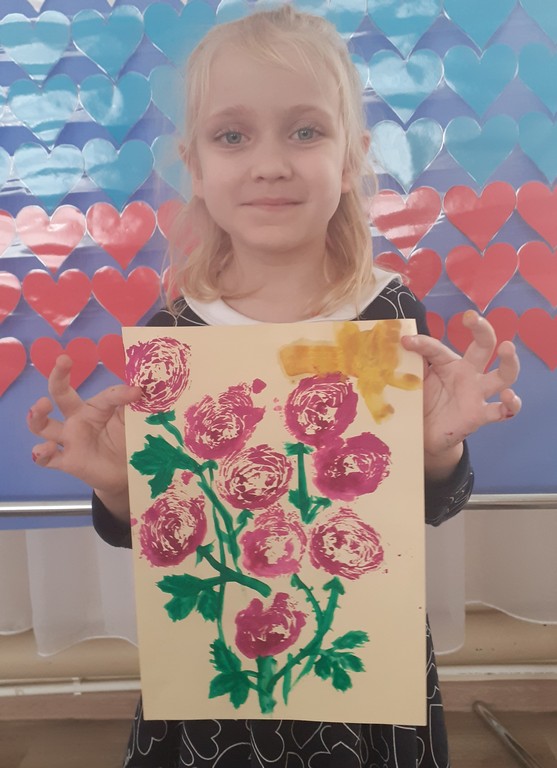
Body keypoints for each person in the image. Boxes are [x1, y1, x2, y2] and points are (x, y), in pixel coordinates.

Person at [27, 5, 521, 767]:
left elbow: (425, 508)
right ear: (194, 166)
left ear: (351, 158)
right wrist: (119, 485)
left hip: (362, 674)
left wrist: (435, 449)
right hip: (213, 682)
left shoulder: (388, 317)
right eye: (232, 136)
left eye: (304, 131)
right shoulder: (174, 334)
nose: (269, 164)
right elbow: (161, 534)